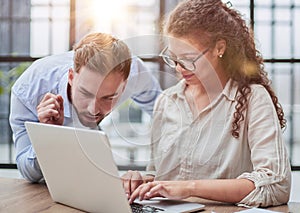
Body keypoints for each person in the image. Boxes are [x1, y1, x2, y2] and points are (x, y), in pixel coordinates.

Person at [122, 0, 291, 207]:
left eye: (188, 58)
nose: (179, 68)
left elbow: (276, 185)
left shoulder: (252, 99)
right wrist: (144, 182)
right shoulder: (167, 101)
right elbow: (159, 174)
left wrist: (188, 188)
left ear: (219, 48)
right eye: (173, 58)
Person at [9, 32, 161, 183]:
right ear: (71, 77)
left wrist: (157, 175)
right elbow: (28, 173)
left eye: (108, 97)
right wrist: (48, 134)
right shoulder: (28, 92)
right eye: (85, 93)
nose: (93, 109)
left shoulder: (135, 73)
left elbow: (165, 116)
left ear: (124, 86)